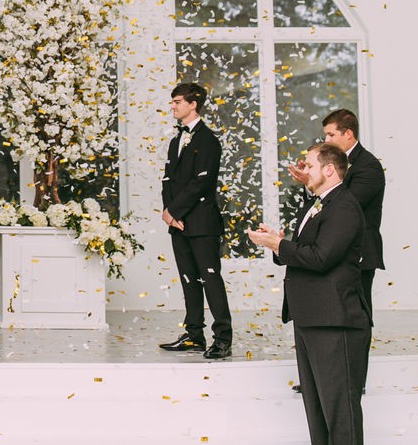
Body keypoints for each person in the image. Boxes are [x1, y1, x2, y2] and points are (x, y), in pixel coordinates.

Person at [248, 143, 370, 445]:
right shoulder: (320, 203)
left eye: (310, 165)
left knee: (340, 412)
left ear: (329, 169)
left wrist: (278, 246)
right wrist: (278, 243)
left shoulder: (344, 206)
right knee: (317, 411)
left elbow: (321, 257)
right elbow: (306, 249)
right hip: (311, 317)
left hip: (334, 320)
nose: (305, 170)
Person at [157, 82, 233, 360]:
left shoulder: (209, 141)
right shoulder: (175, 140)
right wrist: (169, 212)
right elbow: (168, 179)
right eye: (172, 101)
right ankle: (194, 335)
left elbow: (201, 183)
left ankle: (223, 338)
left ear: (193, 104)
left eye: (177, 101)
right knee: (188, 279)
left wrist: (174, 211)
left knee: (210, 279)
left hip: (202, 223)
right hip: (178, 223)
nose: (173, 106)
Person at [288, 108, 384, 313]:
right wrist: (310, 183)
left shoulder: (368, 166)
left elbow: (345, 206)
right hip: (329, 248)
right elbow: (323, 202)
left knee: (356, 312)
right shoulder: (329, 163)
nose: (327, 140)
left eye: (331, 134)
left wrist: (316, 181)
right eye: (326, 135)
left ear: (348, 133)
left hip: (359, 251)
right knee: (331, 310)